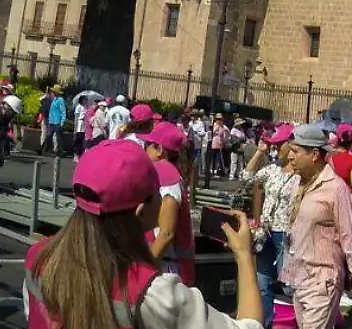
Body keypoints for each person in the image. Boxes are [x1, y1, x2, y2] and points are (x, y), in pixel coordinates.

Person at [24, 140, 264, 329]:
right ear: (141, 209)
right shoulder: (153, 294)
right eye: (156, 192)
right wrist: (244, 255)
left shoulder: (38, 258)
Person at [280, 124, 352, 329]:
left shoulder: (336, 189)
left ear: (313, 154)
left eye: (295, 151)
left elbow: (351, 238)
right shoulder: (297, 183)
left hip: (322, 280)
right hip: (299, 277)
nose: (290, 157)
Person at [140, 123, 196, 282]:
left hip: (166, 271)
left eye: (148, 145)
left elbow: (166, 233)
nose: (144, 150)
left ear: (159, 150)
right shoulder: (168, 173)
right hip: (165, 265)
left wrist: (145, 271)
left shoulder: (166, 175)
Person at [246, 124, 296, 300]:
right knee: (262, 281)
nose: (275, 148)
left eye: (280, 144)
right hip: (266, 231)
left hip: (286, 233)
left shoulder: (300, 174)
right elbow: (247, 177)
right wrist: (260, 152)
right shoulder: (273, 169)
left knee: (288, 285)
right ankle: (265, 322)